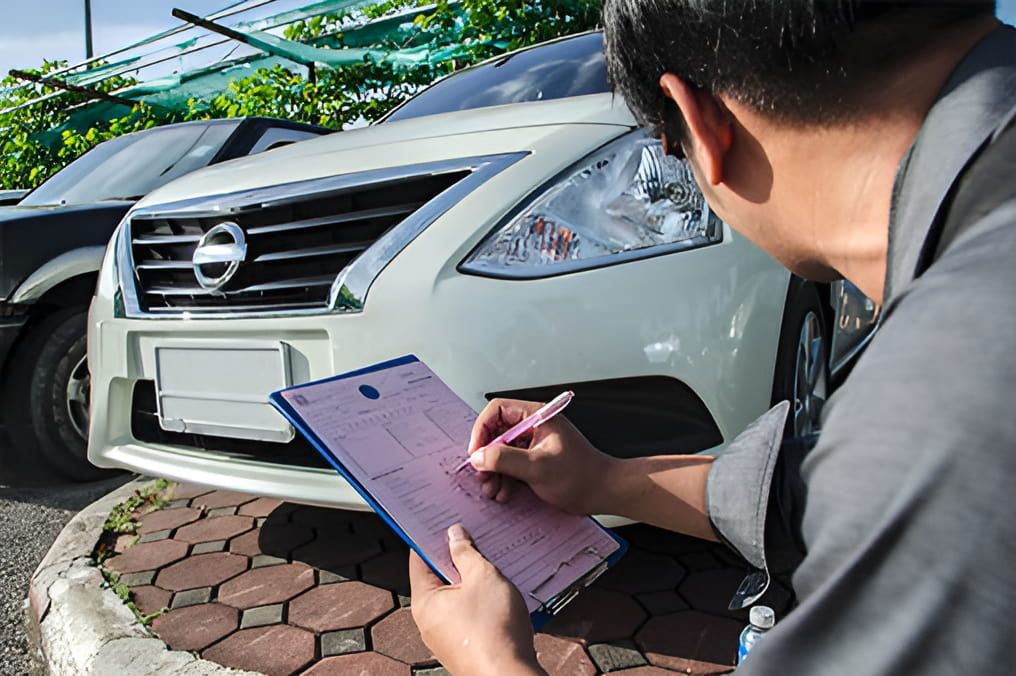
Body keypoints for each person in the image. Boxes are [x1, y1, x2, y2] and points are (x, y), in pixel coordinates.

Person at [408, 2, 1016, 674]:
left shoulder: (946, 385)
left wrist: (489, 662)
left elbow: (908, 479)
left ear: (701, 124)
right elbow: (832, 492)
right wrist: (605, 480)